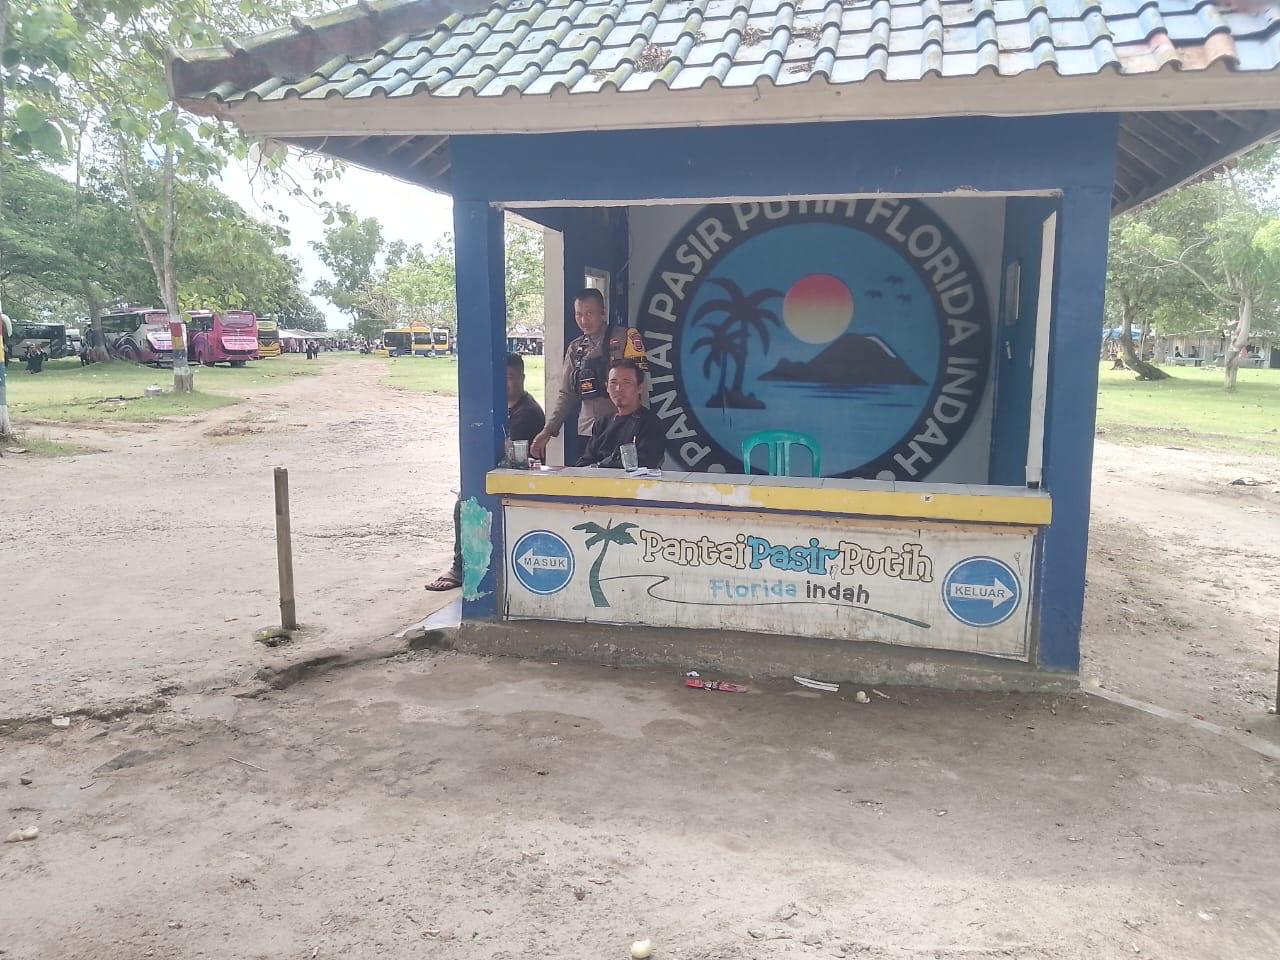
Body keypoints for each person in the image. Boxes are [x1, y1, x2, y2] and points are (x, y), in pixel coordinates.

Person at [426, 353, 546, 592]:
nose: (504, 383)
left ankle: (461, 568)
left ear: (522, 378)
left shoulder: (527, 412)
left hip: (522, 480)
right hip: (507, 475)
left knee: (466, 503)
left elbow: (505, 452)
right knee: (466, 497)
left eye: (509, 377)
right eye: (500, 377)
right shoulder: (502, 408)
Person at [529, 288, 646, 462]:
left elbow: (641, 386)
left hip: (623, 427)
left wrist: (641, 426)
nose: (584, 320)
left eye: (590, 313)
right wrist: (548, 430)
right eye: (579, 314)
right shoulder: (575, 348)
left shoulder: (626, 338)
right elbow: (566, 394)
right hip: (588, 431)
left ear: (603, 312)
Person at [576, 358, 664, 470]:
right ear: (607, 387)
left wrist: (600, 466)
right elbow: (584, 463)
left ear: (639, 388)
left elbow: (645, 463)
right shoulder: (602, 423)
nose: (618, 389)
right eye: (613, 383)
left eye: (626, 382)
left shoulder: (650, 424)